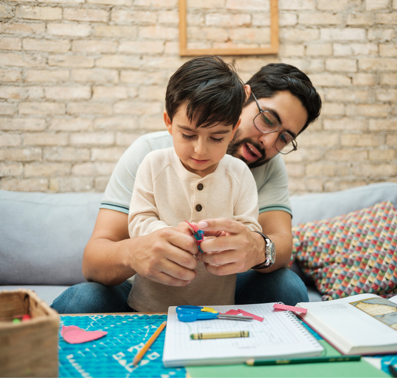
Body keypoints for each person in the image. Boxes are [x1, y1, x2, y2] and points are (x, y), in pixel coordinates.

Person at [51, 57, 322, 314]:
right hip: (146, 287)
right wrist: (140, 250)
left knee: (287, 285)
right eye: (268, 120)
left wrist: (254, 247)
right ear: (245, 98)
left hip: (220, 289)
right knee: (82, 300)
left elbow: (281, 245)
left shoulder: (259, 169)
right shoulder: (151, 154)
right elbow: (94, 259)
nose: (268, 140)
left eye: (285, 138)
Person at [127, 56, 261, 312]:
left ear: (233, 132)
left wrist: (228, 238)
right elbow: (138, 221)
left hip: (217, 307)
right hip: (150, 306)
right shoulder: (153, 164)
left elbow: (250, 230)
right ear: (168, 122)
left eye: (217, 137)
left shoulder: (239, 172)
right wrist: (167, 234)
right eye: (188, 135)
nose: (200, 149)